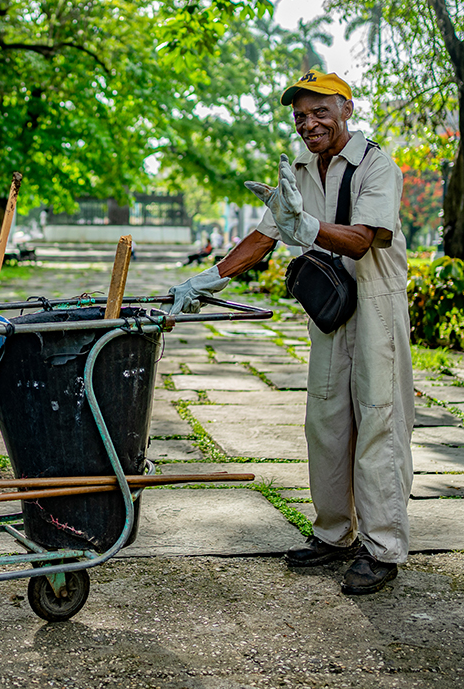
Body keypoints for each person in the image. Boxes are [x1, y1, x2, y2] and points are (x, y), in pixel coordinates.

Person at [167, 69, 414, 596]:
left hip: (374, 304)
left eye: (320, 110)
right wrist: (207, 279)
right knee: (325, 421)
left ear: (346, 109)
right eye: (300, 115)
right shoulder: (299, 170)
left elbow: (363, 240)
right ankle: (333, 535)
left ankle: (382, 548)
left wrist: (307, 226)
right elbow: (263, 237)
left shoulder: (377, 165)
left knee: (378, 420)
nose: (309, 123)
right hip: (329, 306)